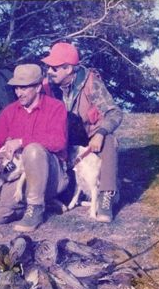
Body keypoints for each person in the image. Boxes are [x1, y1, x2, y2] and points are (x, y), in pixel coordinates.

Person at [41, 42, 123, 222]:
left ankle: (105, 196)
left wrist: (101, 132)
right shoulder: (47, 86)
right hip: (66, 139)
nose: (49, 71)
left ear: (68, 68)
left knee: (110, 141)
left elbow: (115, 112)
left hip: (93, 136)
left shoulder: (91, 82)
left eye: (54, 67)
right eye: (48, 66)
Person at [0, 64, 69, 232]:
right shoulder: (10, 111)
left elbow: (59, 141)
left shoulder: (56, 107)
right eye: (16, 88)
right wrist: (1, 166)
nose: (18, 93)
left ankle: (36, 208)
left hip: (54, 176)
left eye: (24, 88)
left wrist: (21, 141)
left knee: (33, 149)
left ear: (38, 87)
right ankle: (44, 203)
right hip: (21, 175)